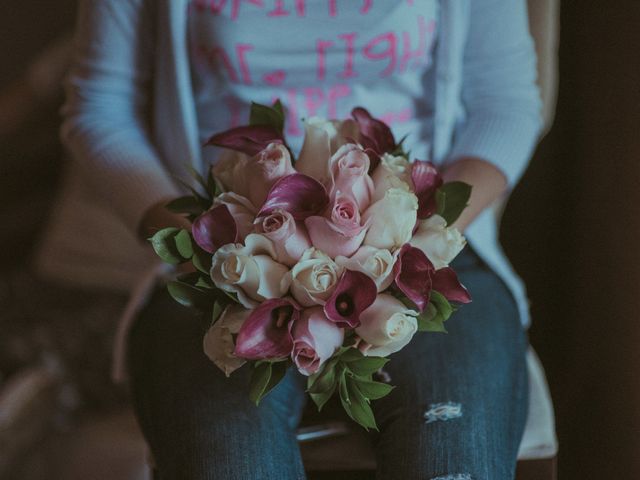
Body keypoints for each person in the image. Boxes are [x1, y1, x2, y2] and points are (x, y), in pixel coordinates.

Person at [34, 0, 543, 478]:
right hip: (224, 268)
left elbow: (505, 105)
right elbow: (100, 111)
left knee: (451, 457)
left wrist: (423, 238)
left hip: (422, 255)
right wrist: (205, 246)